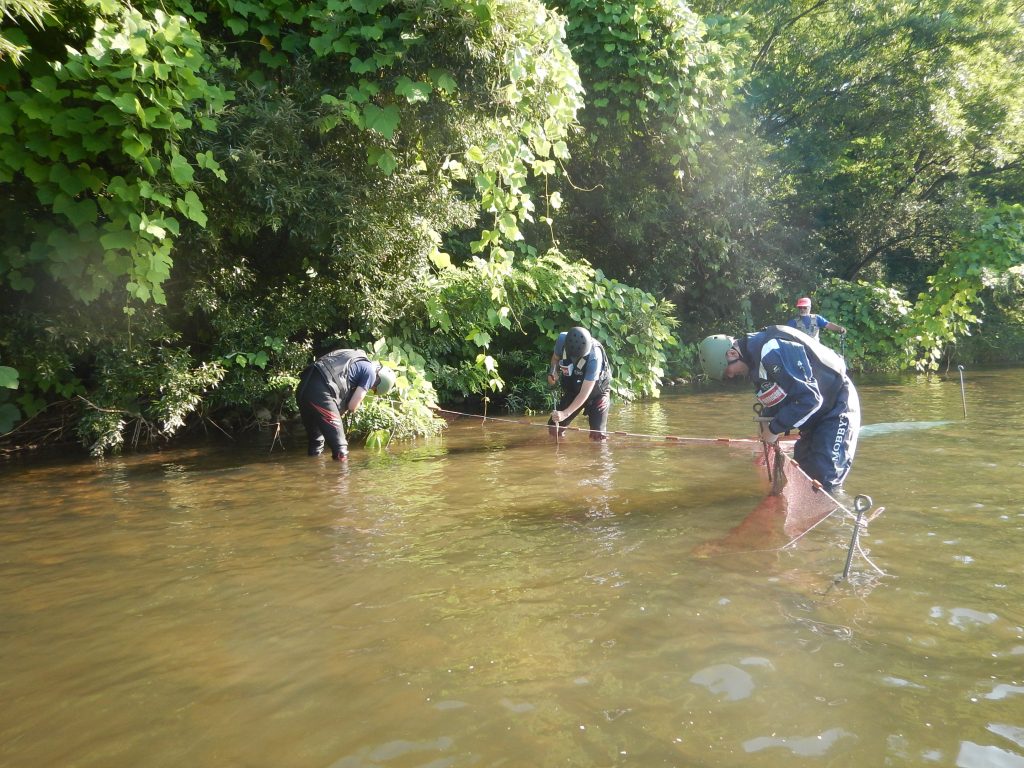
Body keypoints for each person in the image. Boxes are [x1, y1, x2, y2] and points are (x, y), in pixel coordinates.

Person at [698, 325, 860, 490]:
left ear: (732, 353)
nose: (731, 376)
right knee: (804, 473)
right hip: (813, 415)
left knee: (825, 478)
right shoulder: (755, 361)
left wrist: (774, 429)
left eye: (727, 372)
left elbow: (810, 399)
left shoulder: (772, 349)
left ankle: (839, 514)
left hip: (838, 404)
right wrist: (765, 421)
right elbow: (777, 397)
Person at [295, 348, 397, 461]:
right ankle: (342, 477)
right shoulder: (370, 373)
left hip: (303, 389)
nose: (370, 389)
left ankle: (315, 472)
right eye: (373, 388)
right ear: (378, 381)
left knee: (316, 442)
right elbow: (353, 406)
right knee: (340, 450)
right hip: (321, 393)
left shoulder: (355, 357)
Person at [546, 326, 612, 441]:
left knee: (598, 436)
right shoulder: (562, 339)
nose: (574, 359)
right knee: (554, 428)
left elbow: (584, 394)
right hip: (574, 389)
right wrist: (553, 372)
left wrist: (564, 414)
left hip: (597, 393)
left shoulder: (595, 357)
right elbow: (555, 359)